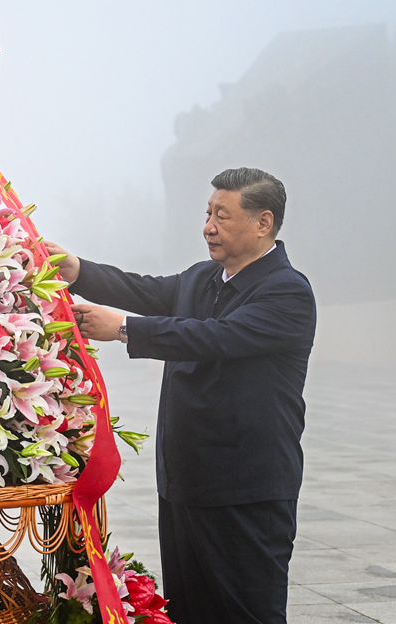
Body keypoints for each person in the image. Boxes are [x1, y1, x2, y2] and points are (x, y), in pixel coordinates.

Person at [45, 167, 315, 624]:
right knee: (190, 611)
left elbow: (214, 338)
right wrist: (79, 270)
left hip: (245, 491)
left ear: (263, 223)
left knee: (246, 613)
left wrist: (125, 329)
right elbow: (145, 289)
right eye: (208, 213)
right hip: (186, 484)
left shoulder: (286, 292)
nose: (208, 226)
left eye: (222, 216)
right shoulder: (202, 278)